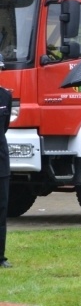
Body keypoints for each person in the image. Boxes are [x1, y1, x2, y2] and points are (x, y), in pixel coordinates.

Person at [0, 55, 11, 268]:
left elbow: (5, 127)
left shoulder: (5, 97)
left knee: (1, 210)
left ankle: (0, 257)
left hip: (1, 162)